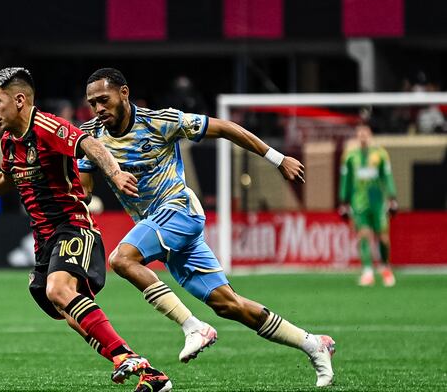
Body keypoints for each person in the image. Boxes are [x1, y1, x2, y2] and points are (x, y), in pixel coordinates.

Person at [78, 68, 336, 387]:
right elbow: (84, 190)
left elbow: (225, 127)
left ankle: (193, 327)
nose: (99, 108)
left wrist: (277, 158)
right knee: (229, 304)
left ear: (124, 94)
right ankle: (313, 343)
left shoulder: (160, 121)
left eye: (104, 100)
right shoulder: (90, 137)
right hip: (157, 225)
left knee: (121, 259)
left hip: (179, 210)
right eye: (93, 103)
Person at [0, 67, 172, 392]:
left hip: (74, 227)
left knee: (58, 290)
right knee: (64, 307)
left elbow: (90, 145)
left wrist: (115, 172)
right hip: (45, 241)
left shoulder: (48, 127)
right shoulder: (11, 142)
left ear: (20, 100)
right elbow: (5, 179)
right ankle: (149, 373)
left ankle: (125, 357)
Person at [339, 123, 398, 287]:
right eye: (360, 133)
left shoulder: (380, 154)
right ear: (357, 136)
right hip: (359, 201)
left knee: (383, 237)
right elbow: (346, 180)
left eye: (365, 133)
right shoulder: (350, 156)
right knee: (363, 234)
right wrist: (343, 200)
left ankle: (385, 267)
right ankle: (367, 271)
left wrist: (392, 197)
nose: (363, 136)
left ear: (370, 134)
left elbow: (387, 176)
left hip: (377, 200)